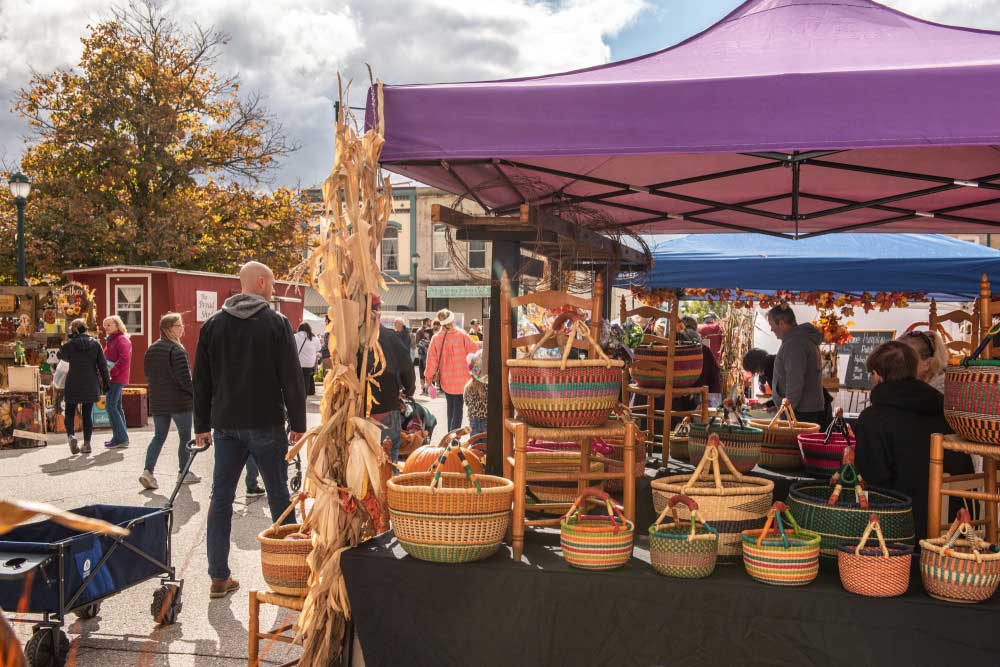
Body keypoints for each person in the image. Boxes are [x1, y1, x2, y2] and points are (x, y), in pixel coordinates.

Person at [193, 261, 306, 599]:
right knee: (279, 497)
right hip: (266, 421)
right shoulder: (275, 323)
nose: (273, 289)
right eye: (271, 284)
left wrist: (201, 426)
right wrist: (298, 425)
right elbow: (291, 378)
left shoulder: (213, 325)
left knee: (221, 499)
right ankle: (291, 570)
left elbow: (201, 380)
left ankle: (218, 575)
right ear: (259, 282)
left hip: (226, 424)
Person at [854, 341, 973, 540]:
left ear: (878, 375)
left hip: (905, 530)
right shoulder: (946, 410)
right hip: (960, 523)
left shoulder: (873, 418)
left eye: (871, 374)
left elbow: (873, 479)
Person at [141, 313, 198, 490]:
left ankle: (147, 471)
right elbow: (184, 380)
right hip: (179, 402)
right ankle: (184, 472)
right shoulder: (177, 350)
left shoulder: (151, 349)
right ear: (168, 329)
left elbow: (148, 375)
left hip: (159, 402)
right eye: (178, 326)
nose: (182, 328)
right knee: (185, 437)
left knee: (159, 436)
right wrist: (196, 395)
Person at [365, 298, 416, 461]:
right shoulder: (389, 337)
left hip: (356, 412)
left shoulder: (351, 339)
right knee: (388, 462)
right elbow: (407, 367)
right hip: (386, 408)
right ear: (377, 311)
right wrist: (409, 390)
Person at [767, 304, 829, 428]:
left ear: (782, 323)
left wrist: (787, 410)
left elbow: (795, 381)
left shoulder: (795, 344)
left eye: (772, 325)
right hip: (804, 410)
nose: (771, 329)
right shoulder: (801, 340)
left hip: (799, 413)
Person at [59, 319, 111, 455]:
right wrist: (106, 383)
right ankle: (87, 443)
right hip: (90, 382)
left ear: (73, 330)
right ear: (86, 329)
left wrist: (69, 340)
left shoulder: (69, 345)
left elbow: (62, 359)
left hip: (73, 382)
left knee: (70, 410)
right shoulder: (96, 344)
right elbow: (103, 366)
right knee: (87, 413)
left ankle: (71, 436)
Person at [424, 309, 481, 432]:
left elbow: (431, 361)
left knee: (450, 407)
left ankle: (449, 435)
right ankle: (454, 437)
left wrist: (428, 380)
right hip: (462, 379)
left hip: (446, 380)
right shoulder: (462, 335)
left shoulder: (436, 338)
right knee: (458, 408)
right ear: (452, 320)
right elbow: (475, 351)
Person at [102, 315, 133, 448]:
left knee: (111, 406)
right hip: (114, 377)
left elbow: (125, 359)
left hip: (116, 378)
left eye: (109, 325)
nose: (106, 327)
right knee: (117, 407)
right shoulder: (112, 339)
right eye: (105, 325)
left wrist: (111, 372)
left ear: (117, 325)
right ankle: (119, 437)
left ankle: (121, 439)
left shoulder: (121, 340)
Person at [294, 322, 323, 397]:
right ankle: (304, 395)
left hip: (298, 362)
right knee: (307, 379)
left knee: (298, 379)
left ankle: (298, 395)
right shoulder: (314, 338)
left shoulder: (295, 336)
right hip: (309, 363)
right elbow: (319, 348)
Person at [464, 350, 488, 437]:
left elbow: (466, 401)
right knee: (486, 447)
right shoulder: (488, 386)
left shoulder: (468, 386)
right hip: (487, 420)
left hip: (473, 421)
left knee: (475, 447)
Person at [415, 318, 434, 395]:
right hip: (422, 359)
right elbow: (418, 346)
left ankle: (429, 390)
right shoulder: (421, 335)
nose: (425, 334)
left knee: (428, 374)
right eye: (425, 333)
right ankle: (424, 389)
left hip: (428, 359)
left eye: (427, 333)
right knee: (422, 374)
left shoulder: (432, 341)